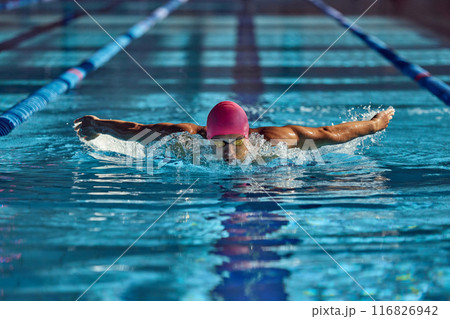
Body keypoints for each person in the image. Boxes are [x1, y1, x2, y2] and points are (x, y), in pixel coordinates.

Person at [74, 101, 394, 163]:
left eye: (234, 142)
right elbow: (140, 130)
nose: (227, 151)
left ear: (246, 136)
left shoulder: (272, 142)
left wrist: (374, 124)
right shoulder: (189, 138)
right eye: (220, 143)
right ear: (207, 137)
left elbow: (331, 133)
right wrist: (100, 126)